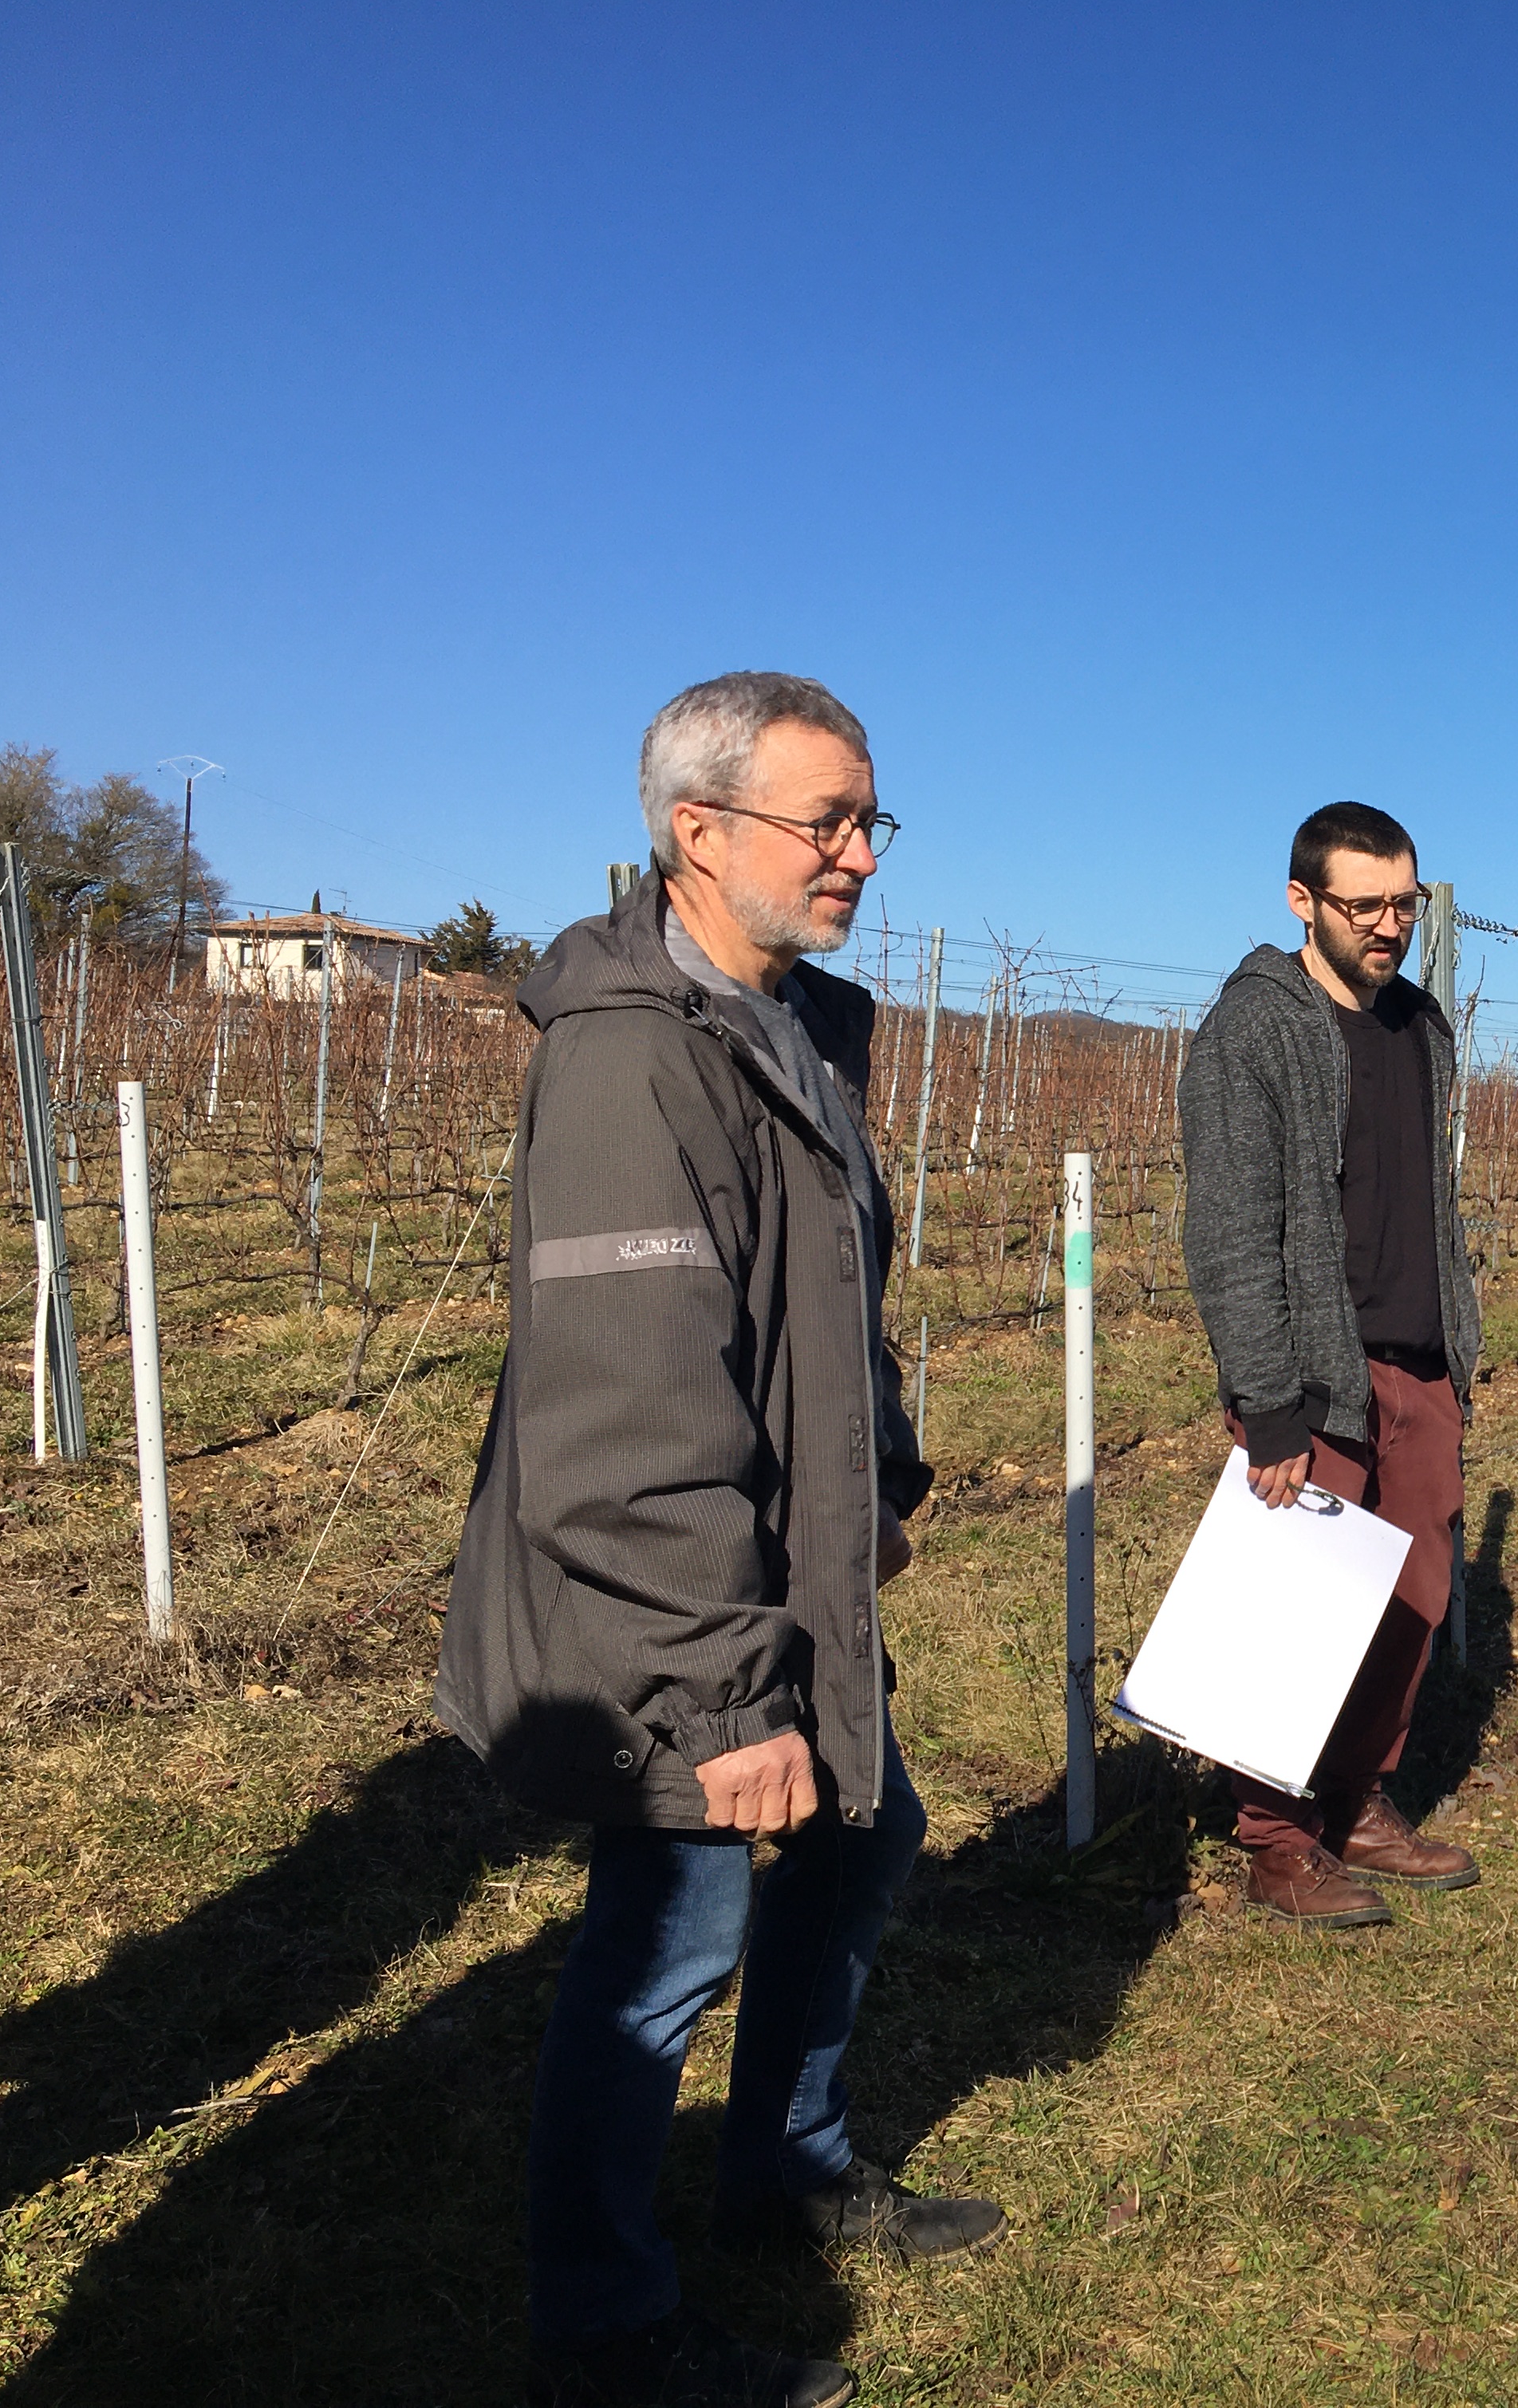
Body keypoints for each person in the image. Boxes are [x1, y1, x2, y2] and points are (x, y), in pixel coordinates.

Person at [438, 672, 1002, 2408]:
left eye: (870, 821)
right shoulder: (633, 1059)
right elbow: (632, 1418)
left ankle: (784, 2167)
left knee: (865, 1842)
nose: (860, 855)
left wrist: (878, 1476)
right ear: (696, 830)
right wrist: (724, 1698)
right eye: (825, 821)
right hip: (671, 1603)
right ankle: (606, 2326)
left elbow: (831, 1297)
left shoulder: (795, 1026)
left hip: (787, 1561)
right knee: (670, 1941)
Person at [1178, 802, 1485, 1929]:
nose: (1389, 926)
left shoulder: (1420, 1026)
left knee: (1410, 1603)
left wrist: (1456, 1349)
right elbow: (1230, 1231)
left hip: (1419, 1362)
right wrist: (1268, 1405)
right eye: (1366, 906)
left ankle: (1354, 1803)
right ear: (1303, 902)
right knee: (1297, 1613)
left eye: (1405, 903)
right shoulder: (1254, 1031)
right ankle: (1275, 1840)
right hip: (1316, 1370)